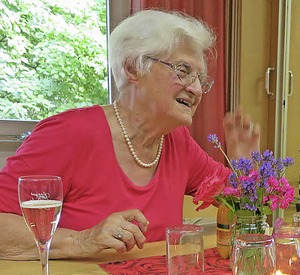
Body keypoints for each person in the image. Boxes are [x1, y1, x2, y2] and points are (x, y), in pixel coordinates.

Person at [0, 10, 259, 260]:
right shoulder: (68, 133)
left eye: (200, 79)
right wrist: (82, 241)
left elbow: (244, 204)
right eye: (183, 70)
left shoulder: (178, 142)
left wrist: (245, 165)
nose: (196, 89)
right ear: (133, 69)